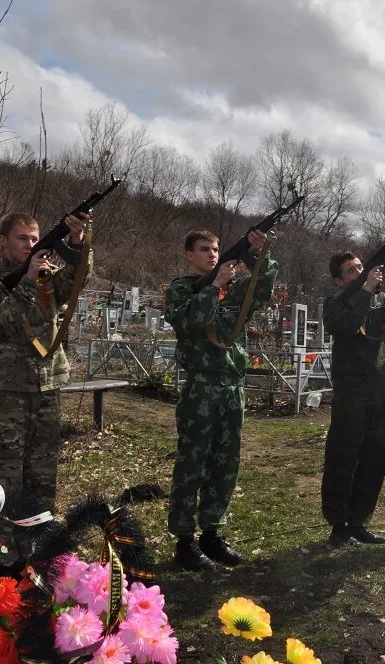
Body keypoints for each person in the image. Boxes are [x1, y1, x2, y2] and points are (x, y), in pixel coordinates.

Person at [0, 211, 92, 556]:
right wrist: (27, 279)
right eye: (22, 238)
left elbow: (78, 278)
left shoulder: (47, 278)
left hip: (46, 389)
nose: (29, 244)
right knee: (3, 478)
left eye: (34, 238)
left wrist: (76, 242)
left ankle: (38, 549)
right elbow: (1, 321)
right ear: (3, 241)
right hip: (9, 393)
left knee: (42, 476)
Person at [164, 229, 275, 570]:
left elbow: (264, 286)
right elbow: (189, 322)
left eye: (215, 249)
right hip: (201, 387)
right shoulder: (182, 289)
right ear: (189, 255)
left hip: (231, 387)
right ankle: (184, 541)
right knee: (192, 464)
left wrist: (258, 254)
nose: (212, 254)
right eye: (204, 249)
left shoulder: (235, 288)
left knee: (225, 464)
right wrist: (213, 286)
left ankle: (212, 533)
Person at [322, 244, 385, 546]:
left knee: (375, 459)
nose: (359, 272)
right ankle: (339, 523)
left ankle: (360, 521)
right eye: (350, 270)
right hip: (351, 394)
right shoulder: (334, 303)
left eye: (360, 267)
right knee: (344, 458)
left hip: (380, 392)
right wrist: (364, 290)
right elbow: (345, 326)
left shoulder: (381, 303)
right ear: (339, 281)